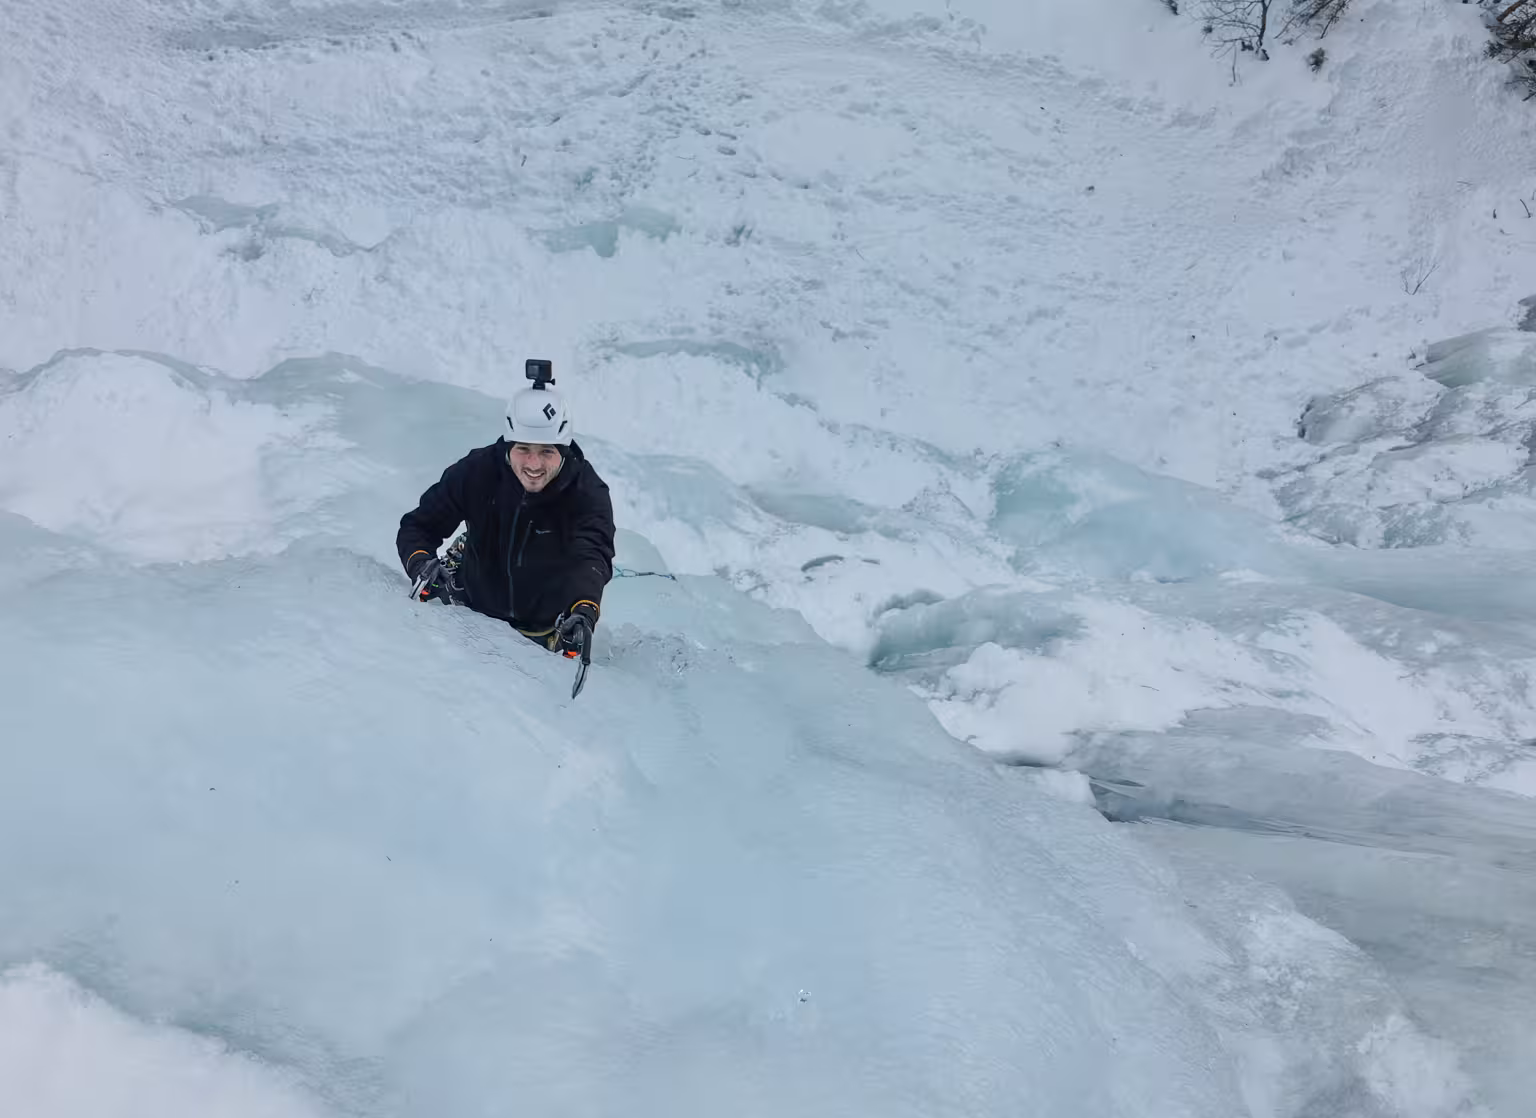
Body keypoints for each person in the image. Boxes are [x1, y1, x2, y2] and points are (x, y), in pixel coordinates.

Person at [396, 374, 615, 657]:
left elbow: (592, 556)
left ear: (563, 451)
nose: (533, 464)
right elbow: (419, 526)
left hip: (545, 628)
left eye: (546, 451)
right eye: (523, 448)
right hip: (469, 610)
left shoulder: (586, 492)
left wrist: (584, 609)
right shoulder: (478, 471)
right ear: (508, 444)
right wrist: (420, 563)